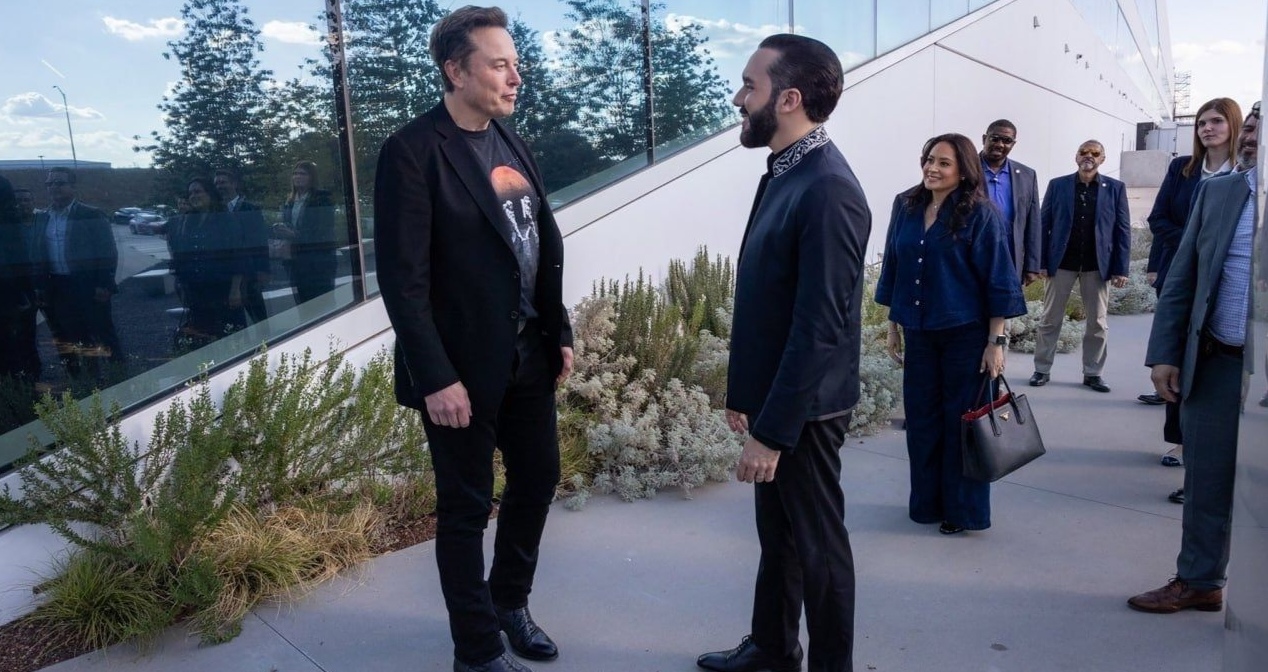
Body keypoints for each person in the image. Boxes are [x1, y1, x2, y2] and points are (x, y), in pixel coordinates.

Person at [373, 7, 573, 672]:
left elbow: (535, 245)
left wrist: (557, 329)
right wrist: (435, 376)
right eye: (499, 64)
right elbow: (403, 281)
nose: (516, 77)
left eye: (516, 63)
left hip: (527, 352)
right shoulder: (412, 151)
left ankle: (508, 602)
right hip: (459, 368)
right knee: (465, 508)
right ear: (455, 71)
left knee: (538, 478)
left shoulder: (510, 139)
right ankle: (477, 649)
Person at [695, 35, 869, 672]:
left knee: (819, 548)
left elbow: (819, 326)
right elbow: (767, 301)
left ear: (789, 99)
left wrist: (772, 432)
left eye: (751, 86)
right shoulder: (787, 170)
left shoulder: (828, 188)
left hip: (807, 411)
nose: (739, 98)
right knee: (780, 538)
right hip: (779, 401)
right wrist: (747, 397)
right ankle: (772, 649)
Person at [1128, 100, 1259, 615]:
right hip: (1219, 361)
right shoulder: (1219, 192)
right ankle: (1200, 580)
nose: (1250, 138)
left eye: (1260, 131)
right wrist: (1165, 354)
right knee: (1206, 479)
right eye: (1249, 129)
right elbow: (1182, 279)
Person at [876, 133, 1026, 537]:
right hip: (919, 332)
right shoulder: (906, 205)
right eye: (929, 159)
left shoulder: (981, 214)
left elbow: (998, 279)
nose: (932, 168)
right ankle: (927, 503)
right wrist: (893, 325)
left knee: (963, 425)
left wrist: (996, 342)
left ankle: (963, 512)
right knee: (922, 421)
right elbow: (894, 265)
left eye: (943, 162)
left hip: (967, 337)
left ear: (963, 170)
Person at [1140, 98, 1241, 499]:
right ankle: (1181, 441)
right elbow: (1158, 218)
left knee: (1210, 368)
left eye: (1216, 121)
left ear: (1233, 126)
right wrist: (1196, 243)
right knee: (1175, 360)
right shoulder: (1182, 169)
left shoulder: (1245, 174)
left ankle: (1208, 458)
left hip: (1226, 287)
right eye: (1201, 123)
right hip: (1181, 279)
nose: (1207, 128)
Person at [1028, 140, 1131, 392]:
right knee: (1050, 319)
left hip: (1098, 265)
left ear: (1102, 159)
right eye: (1084, 152)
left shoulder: (1115, 188)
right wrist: (1041, 262)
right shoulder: (1058, 185)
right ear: (1076, 156)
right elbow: (1043, 224)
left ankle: (1093, 373)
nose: (1088, 156)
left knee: (1098, 323)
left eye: (1095, 153)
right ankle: (1042, 369)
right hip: (1061, 262)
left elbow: (1122, 229)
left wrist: (1121, 268)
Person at [32, 167, 123, 379]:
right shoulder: (42, 218)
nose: (54, 187)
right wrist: (40, 286)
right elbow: (38, 254)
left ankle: (120, 376)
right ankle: (93, 380)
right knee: (77, 336)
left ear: (73, 187)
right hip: (59, 287)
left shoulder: (90, 214)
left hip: (89, 286)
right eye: (50, 183)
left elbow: (107, 251)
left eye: (59, 183)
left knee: (104, 333)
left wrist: (105, 284)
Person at [166, 177, 246, 348]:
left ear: (210, 194)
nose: (193, 196)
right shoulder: (188, 221)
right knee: (203, 335)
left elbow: (237, 255)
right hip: (197, 291)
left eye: (198, 192)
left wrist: (235, 289)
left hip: (222, 289)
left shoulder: (225, 219)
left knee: (229, 335)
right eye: (190, 193)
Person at [979, 119, 1041, 285]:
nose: (1000, 144)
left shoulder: (1027, 175)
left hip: (1010, 256)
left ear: (1013, 144)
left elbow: (1033, 222)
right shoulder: (965, 170)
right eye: (995, 138)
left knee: (1007, 301)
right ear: (984, 139)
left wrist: (1032, 266)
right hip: (973, 255)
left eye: (1007, 141)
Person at [275, 161, 338, 305]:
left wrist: (294, 235)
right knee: (303, 303)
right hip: (296, 260)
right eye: (295, 174)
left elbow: (323, 231)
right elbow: (291, 224)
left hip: (318, 260)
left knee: (322, 302)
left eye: (302, 174)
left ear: (312, 177)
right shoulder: (290, 200)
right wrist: (281, 230)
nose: (297, 177)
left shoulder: (322, 198)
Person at [214, 168, 270, 324]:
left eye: (223, 182)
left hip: (251, 271)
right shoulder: (216, 211)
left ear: (234, 184)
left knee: (258, 317)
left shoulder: (250, 208)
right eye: (216, 183)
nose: (219, 186)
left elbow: (260, 241)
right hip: (227, 272)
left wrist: (263, 269)